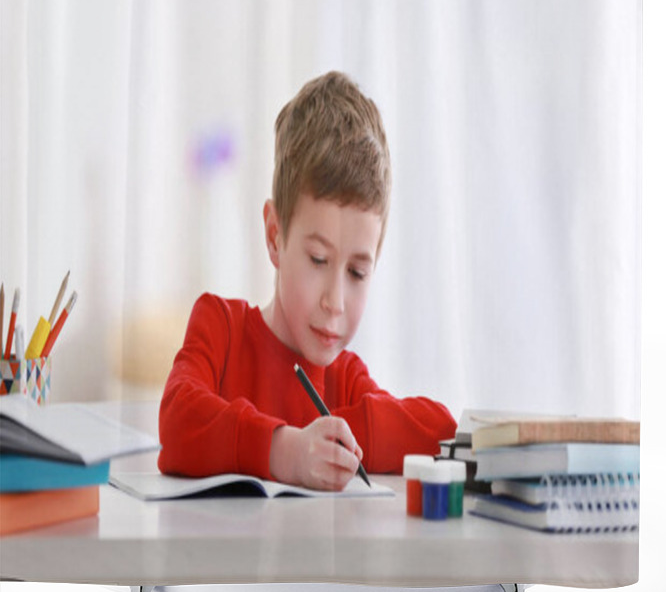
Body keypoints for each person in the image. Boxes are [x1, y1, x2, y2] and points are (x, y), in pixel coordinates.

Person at [158, 71, 457, 490]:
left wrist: (333, 438)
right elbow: (177, 420)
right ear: (275, 236)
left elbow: (441, 430)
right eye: (318, 259)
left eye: (357, 271)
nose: (335, 301)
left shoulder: (346, 379)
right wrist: (287, 449)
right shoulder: (220, 328)